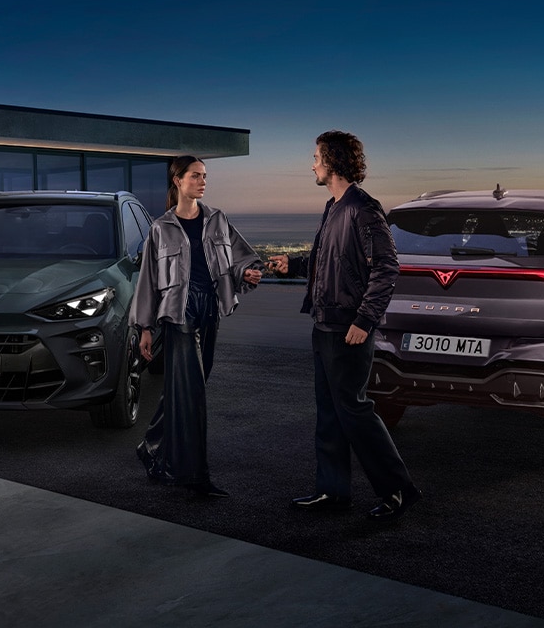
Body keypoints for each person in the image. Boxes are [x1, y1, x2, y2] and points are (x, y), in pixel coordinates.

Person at [267, 130, 421, 522]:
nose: (312, 163)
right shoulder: (333, 207)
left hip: (348, 330)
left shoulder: (363, 208)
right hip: (324, 325)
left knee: (355, 411)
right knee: (330, 414)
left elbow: (386, 268)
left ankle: (398, 491)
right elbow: (329, 263)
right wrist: (294, 265)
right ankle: (332, 492)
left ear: (333, 160)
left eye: (316, 156)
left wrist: (365, 320)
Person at [130, 155, 263, 498]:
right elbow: (148, 280)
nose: (202, 182)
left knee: (186, 389)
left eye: (205, 176)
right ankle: (194, 475)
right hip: (179, 314)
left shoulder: (217, 220)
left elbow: (239, 257)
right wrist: (145, 327)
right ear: (177, 181)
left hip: (210, 309)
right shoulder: (161, 228)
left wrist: (246, 272)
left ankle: (151, 445)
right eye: (195, 176)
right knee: (193, 397)